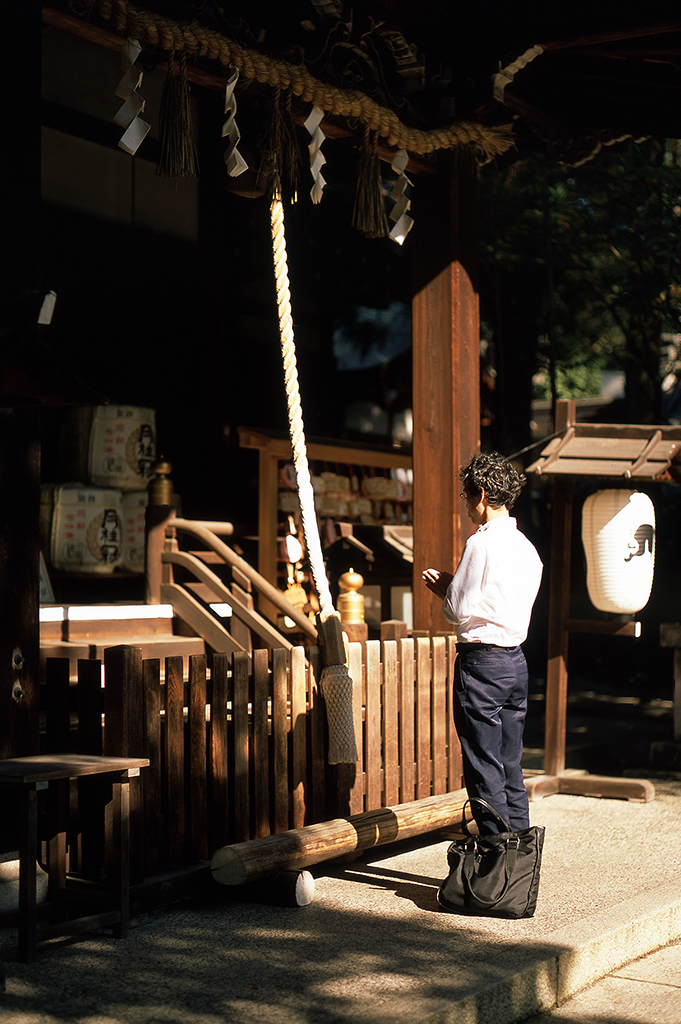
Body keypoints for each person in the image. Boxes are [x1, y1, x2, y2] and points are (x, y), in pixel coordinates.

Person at [422, 451, 543, 835]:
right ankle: (522, 858)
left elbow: (456, 610)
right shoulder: (527, 547)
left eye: (465, 496)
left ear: (480, 494)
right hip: (515, 660)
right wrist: (456, 590)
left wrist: (447, 589)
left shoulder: (482, 543)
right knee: (510, 765)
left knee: (482, 764)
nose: (466, 507)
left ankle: (495, 858)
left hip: (482, 662)